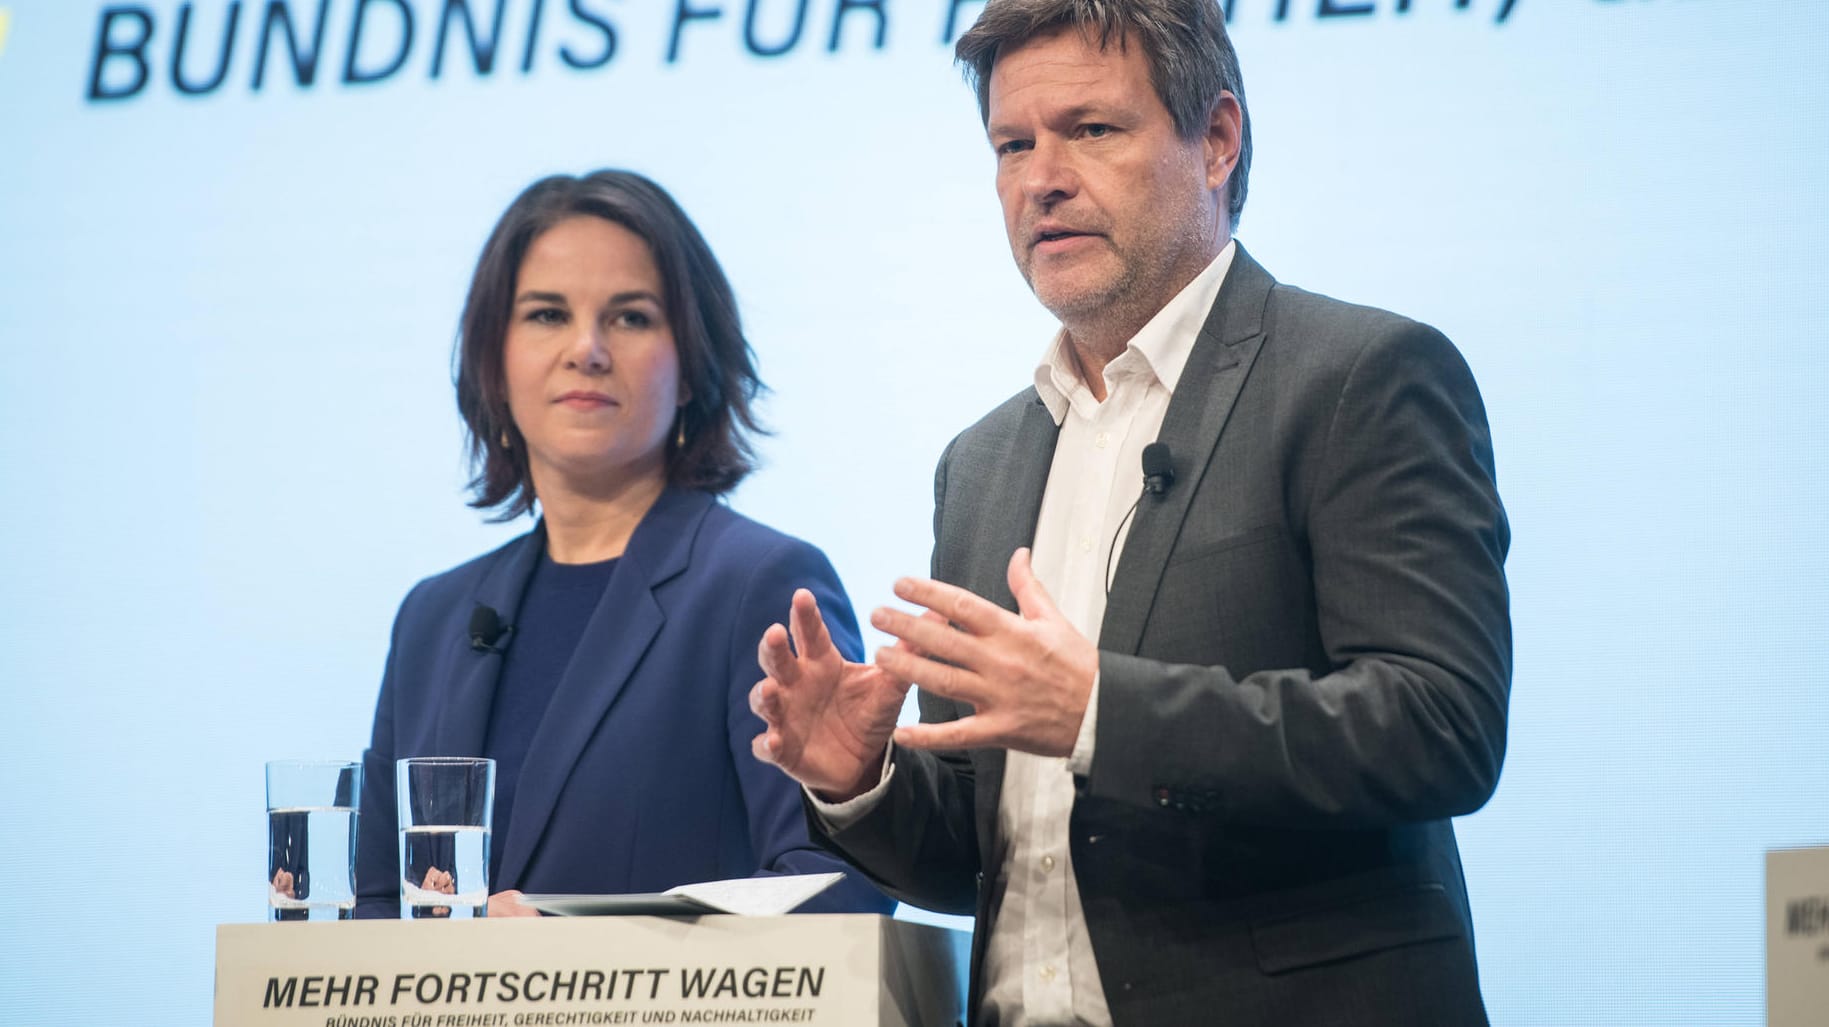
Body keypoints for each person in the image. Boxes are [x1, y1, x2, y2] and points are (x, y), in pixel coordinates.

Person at [748, 0, 1511, 1022]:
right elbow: (996, 861)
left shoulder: (1357, 378)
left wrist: (1101, 711)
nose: (1042, 178)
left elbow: (1438, 726)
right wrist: (860, 781)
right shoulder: (976, 465)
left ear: (1216, 142)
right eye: (1011, 145)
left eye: (1091, 130)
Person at [353, 170, 890, 919]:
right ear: (493, 361)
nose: (587, 349)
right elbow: (377, 909)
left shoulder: (755, 585)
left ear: (690, 368)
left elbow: (830, 893)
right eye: (546, 314)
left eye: (630, 318)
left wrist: (582, 951)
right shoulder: (432, 619)